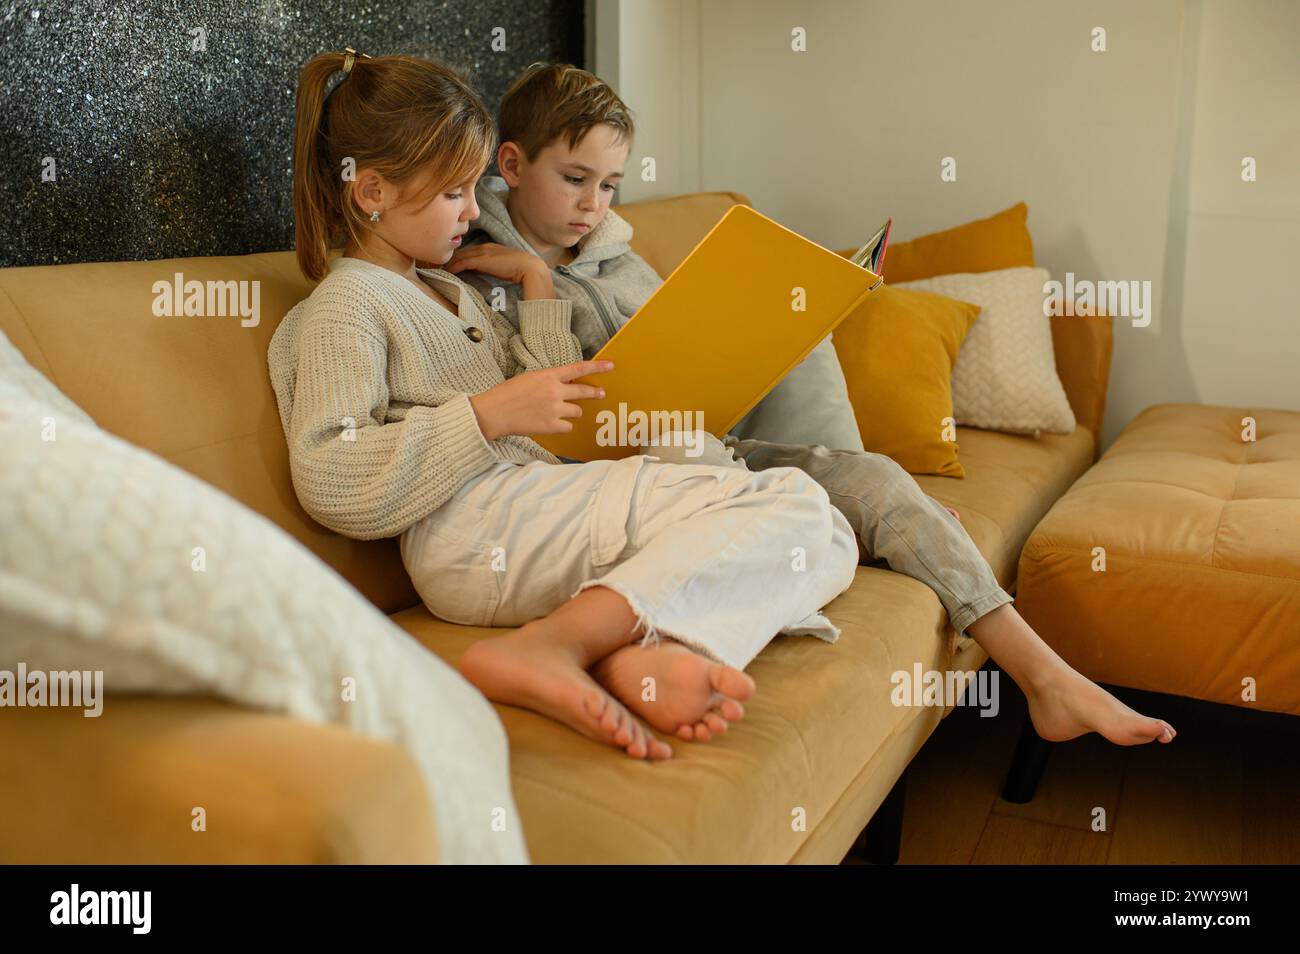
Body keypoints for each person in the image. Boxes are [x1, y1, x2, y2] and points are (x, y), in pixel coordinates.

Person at [448, 62, 1178, 750]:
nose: (593, 205)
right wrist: (537, 287)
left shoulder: (617, 254)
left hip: (707, 442)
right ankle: (861, 526)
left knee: (876, 466)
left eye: (610, 185)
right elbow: (548, 422)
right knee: (800, 479)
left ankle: (1044, 677)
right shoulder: (479, 270)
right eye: (575, 180)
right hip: (632, 476)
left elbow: (679, 354)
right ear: (511, 166)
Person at [268, 49, 865, 762]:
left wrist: (536, 286)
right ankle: (551, 646)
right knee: (795, 507)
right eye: (455, 193)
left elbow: (556, 426)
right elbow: (330, 475)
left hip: (531, 500)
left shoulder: (448, 287)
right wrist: (487, 416)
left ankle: (632, 650)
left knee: (826, 533)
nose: (472, 212)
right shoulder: (346, 305)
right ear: (371, 191)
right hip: (467, 528)